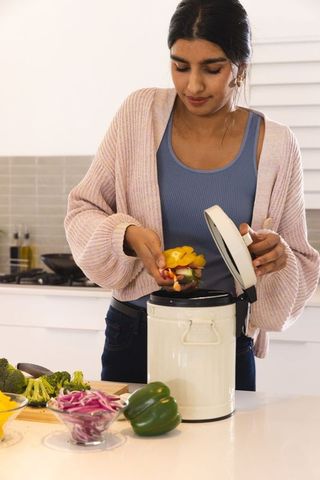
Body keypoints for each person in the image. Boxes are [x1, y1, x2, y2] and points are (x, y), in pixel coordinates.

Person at [64, 0, 320, 391]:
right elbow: (83, 210)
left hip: (225, 337)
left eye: (212, 69)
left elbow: (299, 260)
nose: (193, 85)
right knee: (130, 452)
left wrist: (277, 254)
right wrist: (128, 235)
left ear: (240, 68)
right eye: (180, 66)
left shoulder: (278, 145)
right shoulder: (139, 114)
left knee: (229, 452)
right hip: (135, 331)